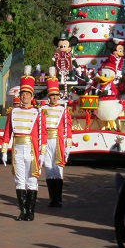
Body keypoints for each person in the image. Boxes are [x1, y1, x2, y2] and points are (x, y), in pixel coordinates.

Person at [1, 66, 47, 221]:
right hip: (17, 149)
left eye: (27, 94)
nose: (25, 97)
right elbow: (8, 132)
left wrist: (42, 152)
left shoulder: (38, 112)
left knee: (32, 179)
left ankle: (31, 211)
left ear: (31, 96)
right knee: (19, 180)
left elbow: (43, 134)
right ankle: (23, 210)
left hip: (32, 149)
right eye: (23, 94)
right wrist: (3, 149)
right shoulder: (13, 112)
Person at [41, 71, 73, 207]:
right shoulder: (42, 109)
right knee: (48, 168)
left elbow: (68, 128)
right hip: (46, 141)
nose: (54, 98)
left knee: (58, 168)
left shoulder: (63, 110)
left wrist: (68, 144)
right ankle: (52, 198)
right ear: (49, 96)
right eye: (52, 95)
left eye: (56, 95)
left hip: (58, 141)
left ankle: (58, 198)